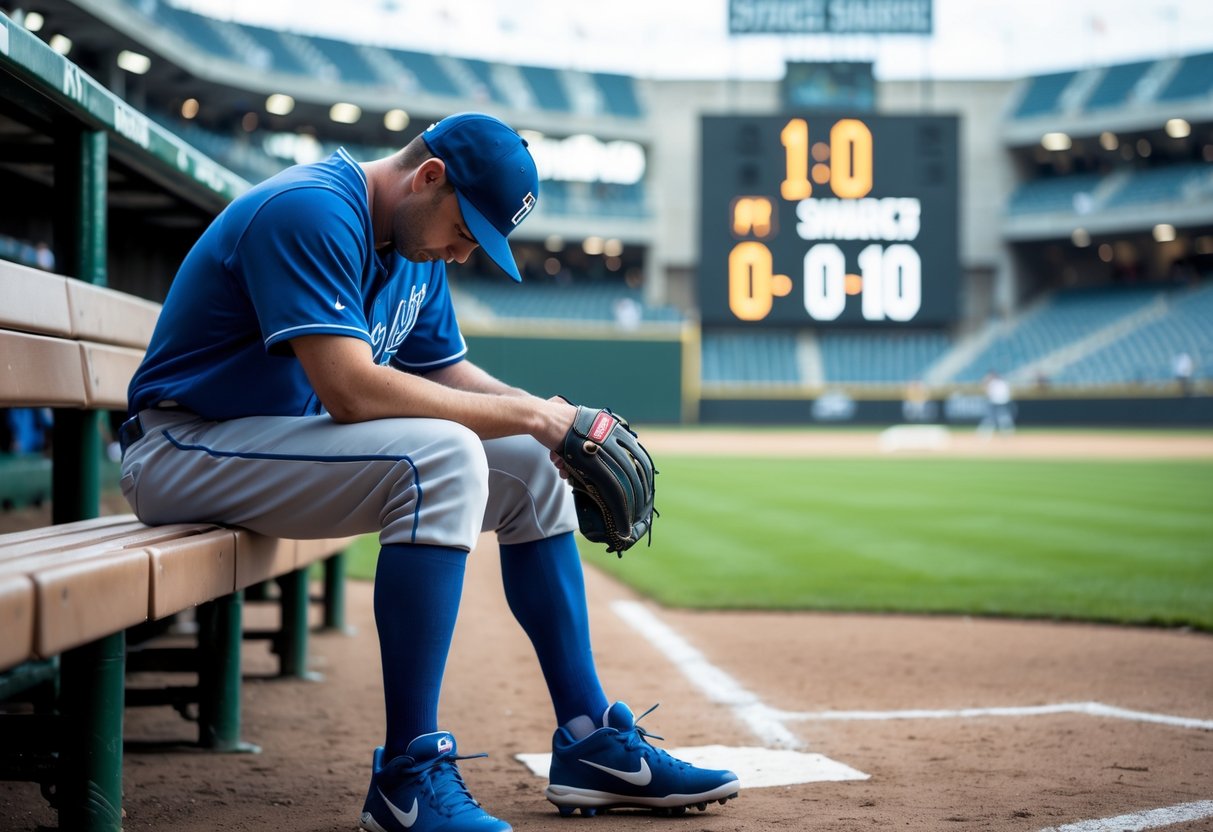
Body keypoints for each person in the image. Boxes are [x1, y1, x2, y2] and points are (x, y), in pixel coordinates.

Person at [118, 113, 738, 832]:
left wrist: (551, 420)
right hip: (184, 449)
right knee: (439, 454)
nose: (464, 252)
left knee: (532, 465)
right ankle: (407, 777)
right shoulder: (312, 210)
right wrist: (536, 418)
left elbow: (445, 371)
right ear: (430, 176)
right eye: (466, 230)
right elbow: (349, 392)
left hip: (271, 447)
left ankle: (589, 741)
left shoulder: (414, 250)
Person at [977, 371, 1015, 437]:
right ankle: (1007, 433)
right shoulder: (1004, 383)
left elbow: (987, 391)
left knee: (991, 418)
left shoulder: (993, 383)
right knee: (1003, 418)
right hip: (1003, 402)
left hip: (995, 403)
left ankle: (984, 434)